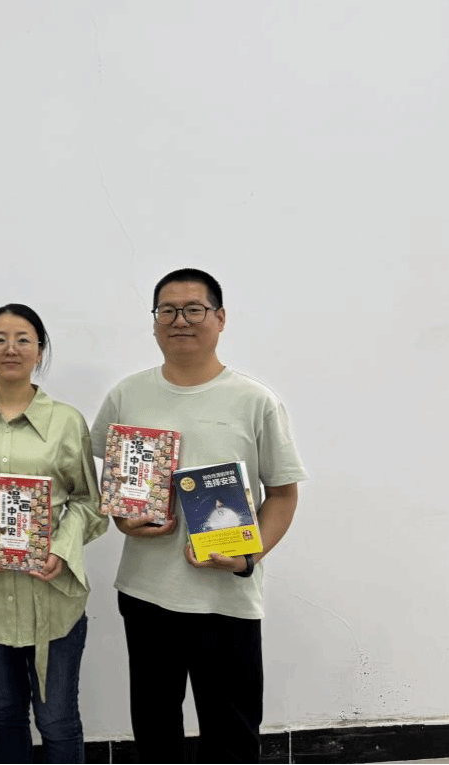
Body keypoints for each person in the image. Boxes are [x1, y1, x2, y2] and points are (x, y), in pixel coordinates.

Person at [90, 268, 307, 764]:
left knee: (232, 736)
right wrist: (124, 520)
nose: (180, 320)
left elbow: (282, 495)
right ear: (154, 322)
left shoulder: (255, 401)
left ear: (220, 318)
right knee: (154, 730)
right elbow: (114, 480)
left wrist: (247, 558)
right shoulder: (127, 395)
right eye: (167, 310)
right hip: (146, 592)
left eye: (194, 309)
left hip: (225, 596)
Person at [0, 303, 108, 765]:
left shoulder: (67, 421)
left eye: (22, 339)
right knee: (5, 712)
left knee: (57, 720)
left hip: (53, 594)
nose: (10, 349)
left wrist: (61, 549)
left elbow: (88, 501)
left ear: (40, 349)